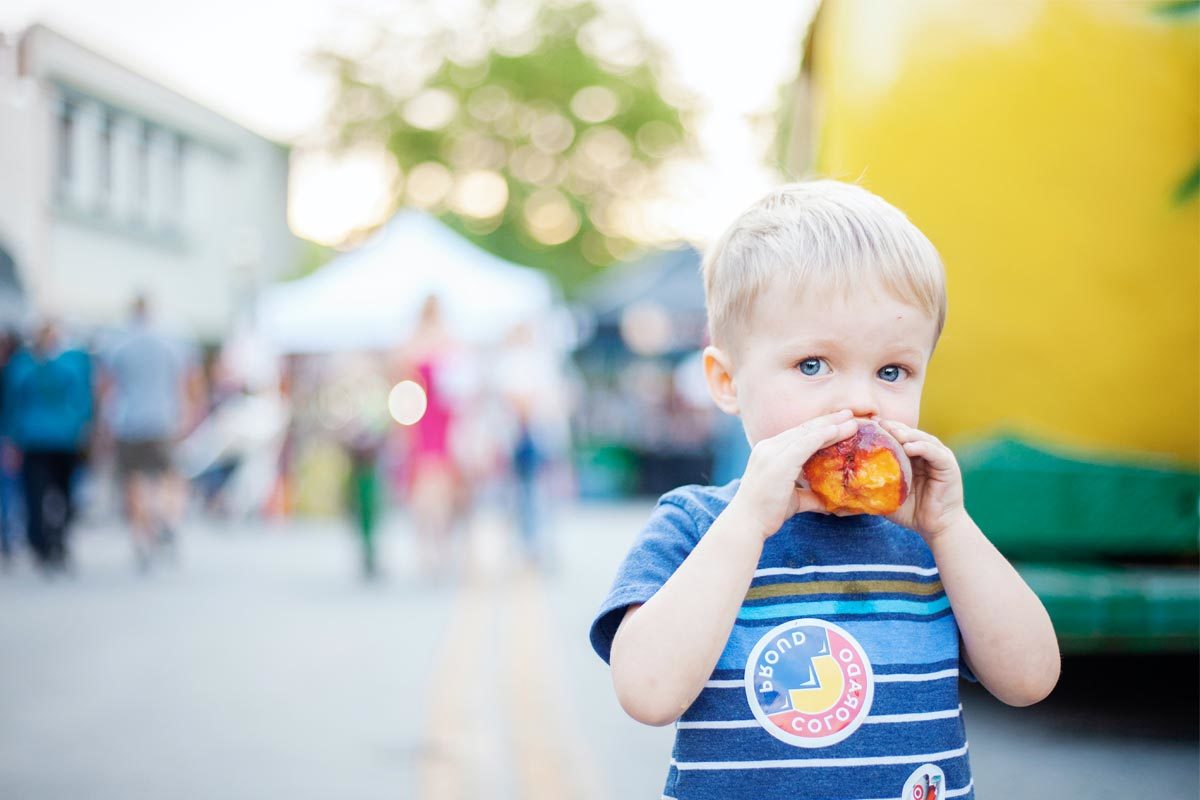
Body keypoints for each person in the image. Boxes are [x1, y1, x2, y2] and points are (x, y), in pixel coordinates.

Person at [588, 181, 1060, 799]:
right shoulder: (696, 525)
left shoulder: (929, 538)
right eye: (813, 365)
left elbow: (1030, 679)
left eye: (893, 371)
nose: (861, 401)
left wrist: (951, 528)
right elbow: (648, 693)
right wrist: (746, 525)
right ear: (727, 381)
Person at [102, 296, 198, 570]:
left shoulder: (118, 345)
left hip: (128, 421)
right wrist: (186, 415)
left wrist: (103, 426)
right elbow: (186, 382)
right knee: (168, 477)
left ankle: (142, 537)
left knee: (134, 482)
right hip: (164, 420)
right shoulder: (171, 343)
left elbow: (107, 387)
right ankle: (166, 517)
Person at [2, 322, 93, 572]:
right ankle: (53, 539)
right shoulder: (68, 363)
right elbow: (83, 400)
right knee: (56, 492)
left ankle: (46, 541)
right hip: (54, 438)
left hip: (44, 438)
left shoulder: (26, 365)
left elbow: (13, 404)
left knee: (40, 493)